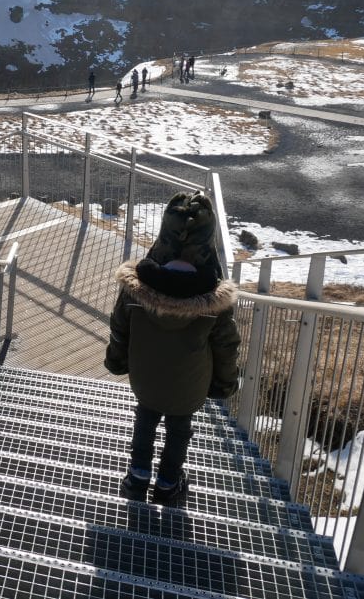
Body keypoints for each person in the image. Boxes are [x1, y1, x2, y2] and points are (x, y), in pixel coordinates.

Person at [105, 191, 241, 506]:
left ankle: (137, 474)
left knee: (145, 417)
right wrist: (224, 383)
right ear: (208, 237)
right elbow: (225, 345)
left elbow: (119, 326)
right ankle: (168, 483)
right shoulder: (213, 297)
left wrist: (116, 361)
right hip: (189, 383)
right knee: (179, 429)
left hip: (146, 376)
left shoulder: (139, 284)